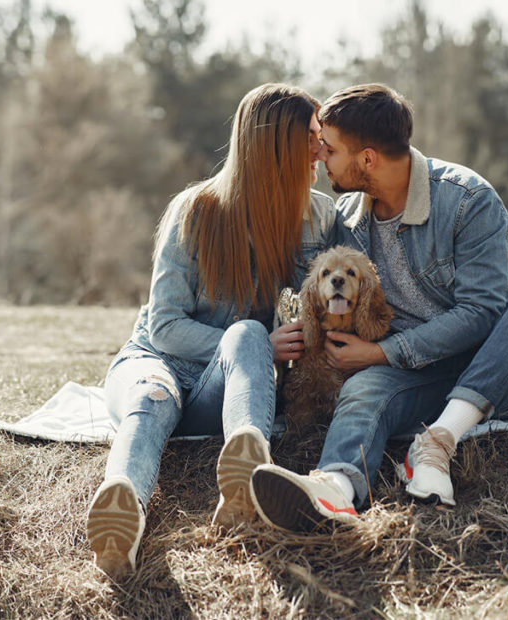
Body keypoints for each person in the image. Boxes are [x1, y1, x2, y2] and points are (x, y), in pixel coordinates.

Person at [249, 84, 508, 532]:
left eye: (328, 150)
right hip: (412, 375)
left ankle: (438, 442)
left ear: (367, 159)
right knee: (363, 390)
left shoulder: (468, 200)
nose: (319, 157)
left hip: (494, 369)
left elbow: (483, 312)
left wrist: (381, 353)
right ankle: (334, 486)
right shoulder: (347, 218)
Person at [86, 83, 333, 577]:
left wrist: (270, 344)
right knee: (151, 398)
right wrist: (265, 343)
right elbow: (165, 326)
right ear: (275, 144)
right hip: (157, 361)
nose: (320, 148)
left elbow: (317, 302)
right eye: (309, 135)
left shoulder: (315, 215)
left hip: (223, 386)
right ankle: (123, 513)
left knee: (243, 333)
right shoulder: (196, 211)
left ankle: (245, 475)